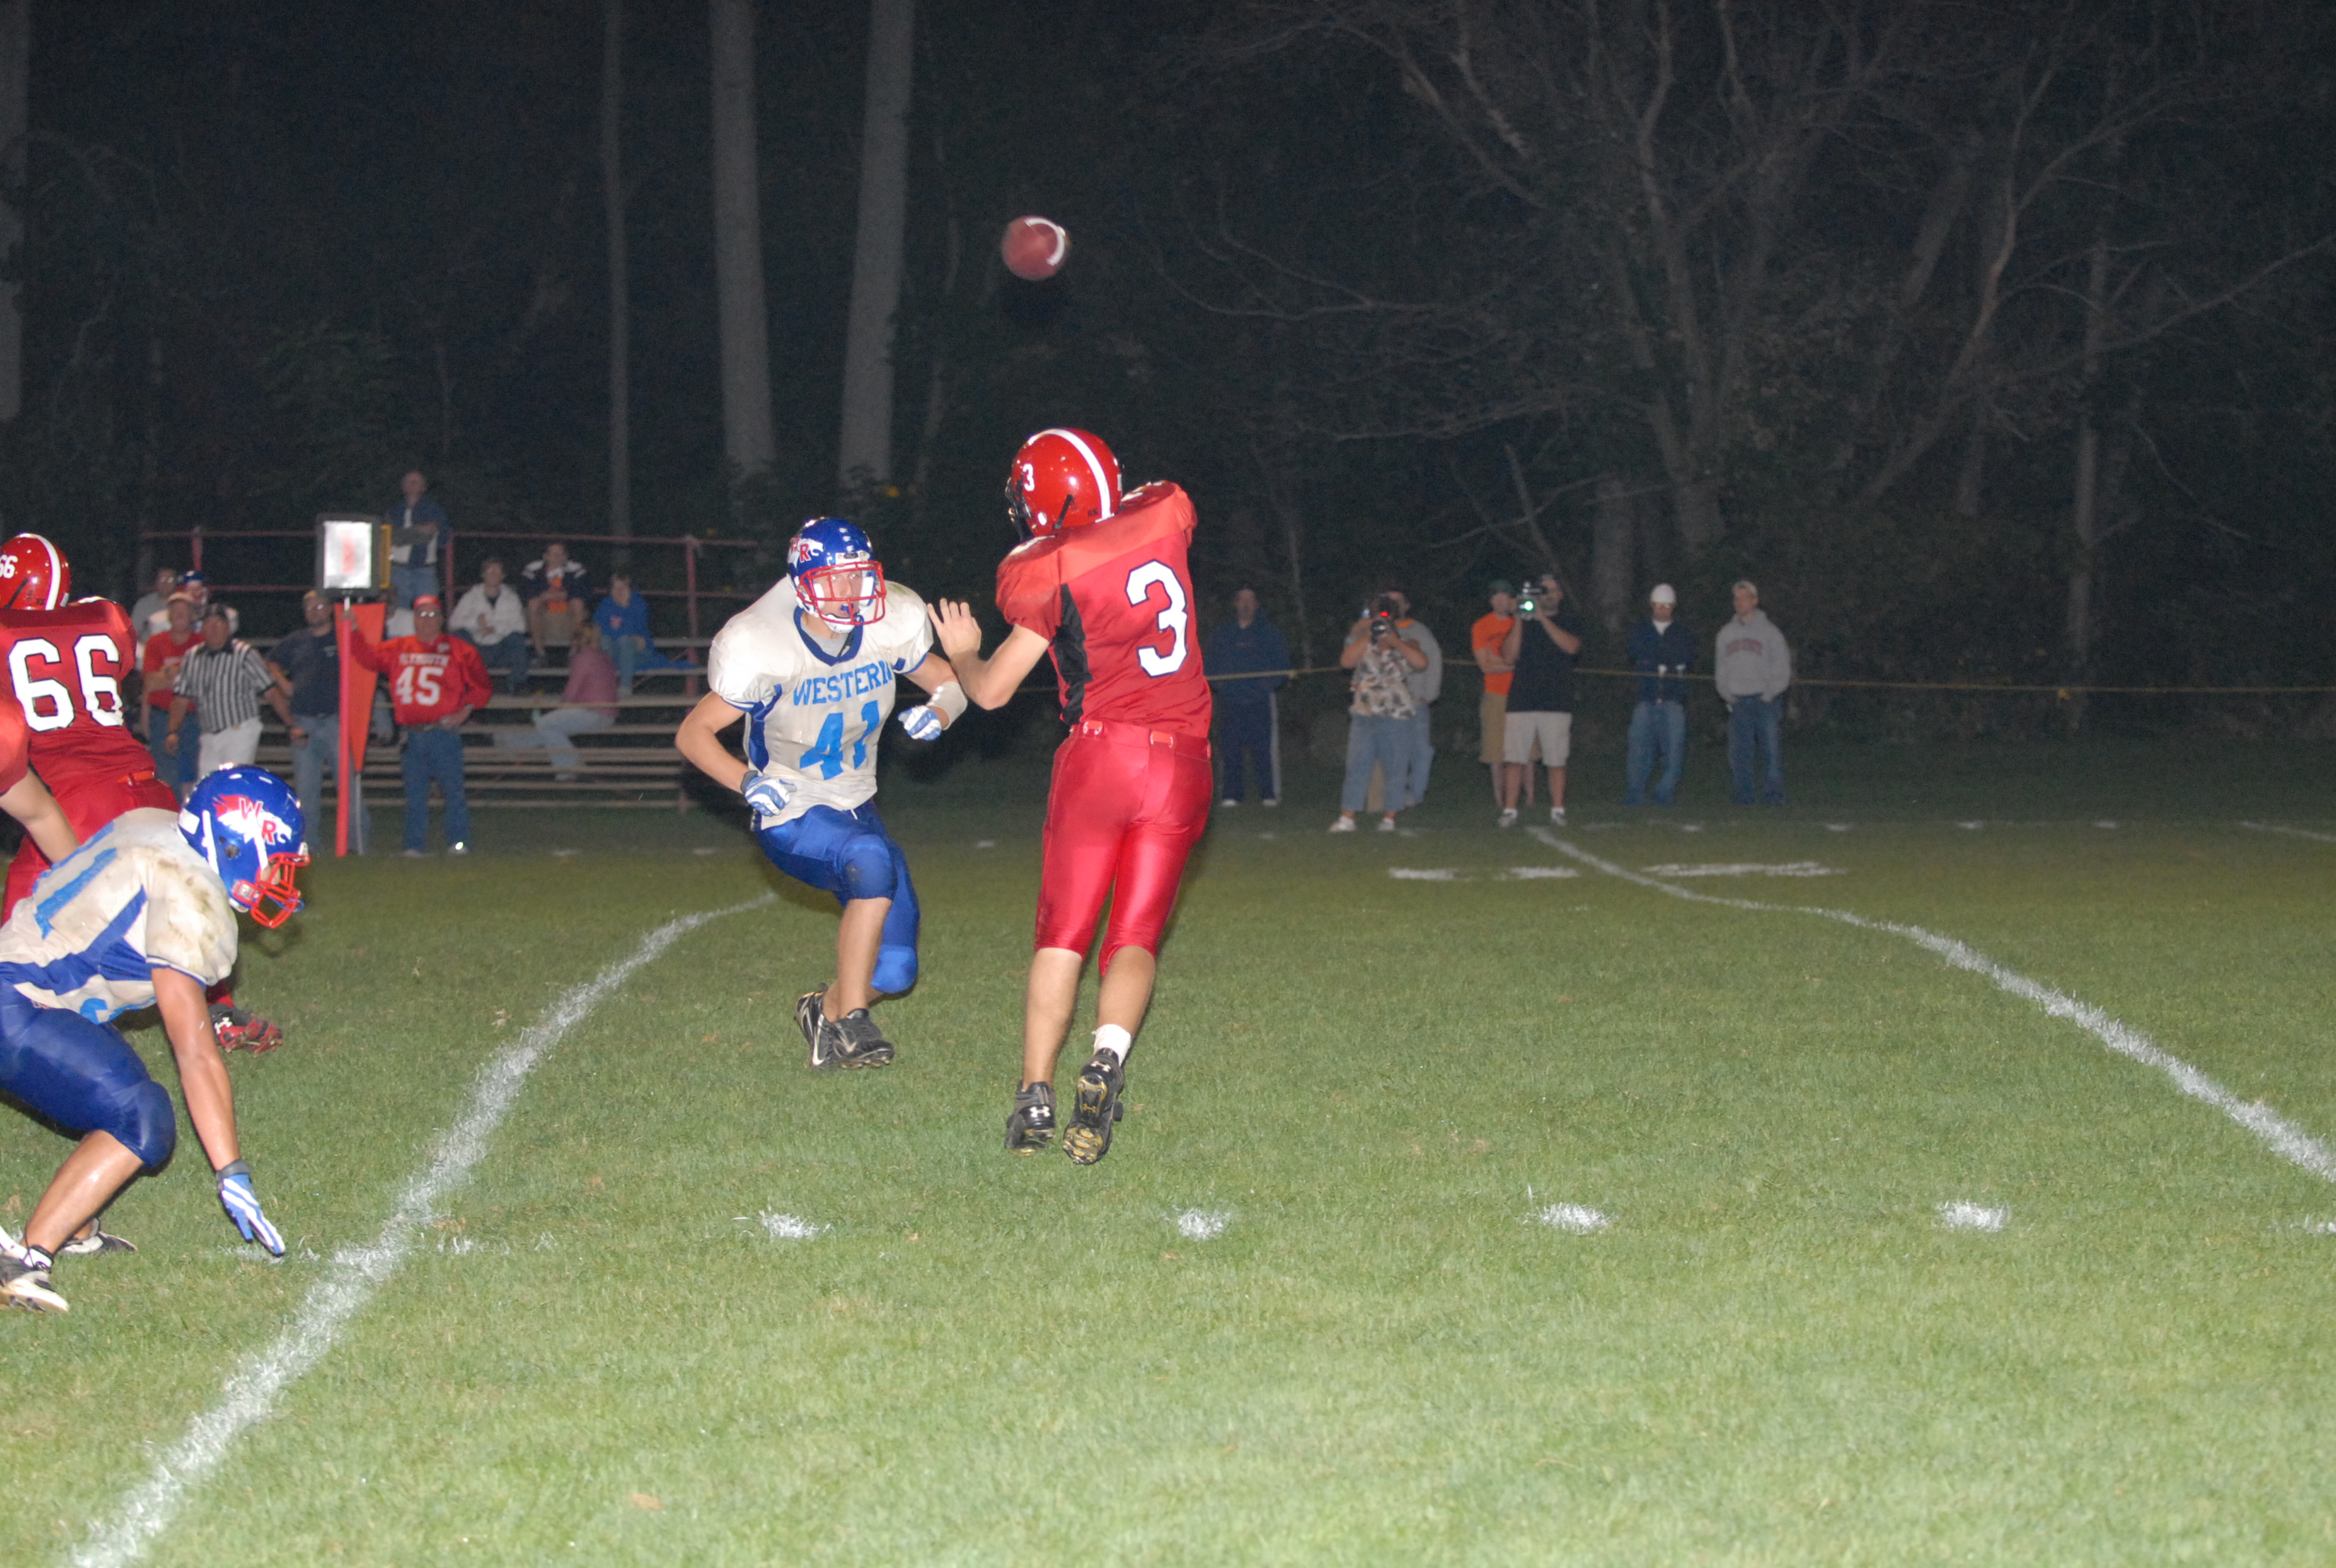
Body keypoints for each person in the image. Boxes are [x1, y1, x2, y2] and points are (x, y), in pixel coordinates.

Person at [930, 427, 1212, 1166]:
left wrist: (962, 650)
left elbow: (992, 691)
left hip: (1103, 755)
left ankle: (1034, 1095)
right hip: (1184, 760)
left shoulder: (1048, 567)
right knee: (1135, 936)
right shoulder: (1163, 514)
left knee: (1064, 934)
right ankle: (1107, 1057)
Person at [0, 766, 305, 1313]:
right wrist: (231, 1170)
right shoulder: (192, 894)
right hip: (18, 1002)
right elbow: (194, 1052)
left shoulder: (161, 827)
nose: (281, 879)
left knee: (123, 1085)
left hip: (30, 989)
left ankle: (76, 1226)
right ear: (234, 845)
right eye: (276, 862)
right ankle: (26, 1259)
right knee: (141, 1116)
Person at [675, 517, 963, 1070]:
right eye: (837, 579)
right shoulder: (767, 644)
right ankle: (853, 1023)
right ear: (805, 584)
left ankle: (823, 1011)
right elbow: (693, 733)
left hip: (858, 808)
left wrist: (942, 711)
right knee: (870, 857)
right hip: (792, 810)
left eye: (859, 577)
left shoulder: (882, 628)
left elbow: (950, 682)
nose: (852, 591)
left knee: (896, 970)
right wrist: (746, 780)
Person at [0, 536, 282, 1053]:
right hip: (145, 787)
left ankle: (22, 1017)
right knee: (183, 898)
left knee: (20, 921)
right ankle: (220, 1011)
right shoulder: (104, 617)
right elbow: (117, 669)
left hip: (71, 799)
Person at [348, 593, 493, 856]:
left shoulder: (459, 649)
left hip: (442, 732)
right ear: (414, 619)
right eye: (421, 614)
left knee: (452, 790)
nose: (426, 620)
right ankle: (414, 845)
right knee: (415, 794)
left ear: (441, 618)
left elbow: (482, 686)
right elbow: (368, 659)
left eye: (432, 614)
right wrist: (355, 631)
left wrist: (467, 709)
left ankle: (458, 842)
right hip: (412, 734)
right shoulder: (399, 647)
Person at [266, 590, 363, 852]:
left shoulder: (341, 635)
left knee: (348, 787)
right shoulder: (296, 640)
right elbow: (269, 661)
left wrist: (354, 626)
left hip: (336, 721)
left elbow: (363, 653)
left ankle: (357, 844)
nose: (314, 612)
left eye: (320, 606)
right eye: (310, 607)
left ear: (330, 609)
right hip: (304, 722)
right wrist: (284, 683)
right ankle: (308, 846)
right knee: (306, 790)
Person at [1331, 593, 1429, 833]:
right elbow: (1346, 661)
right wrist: (1369, 634)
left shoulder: (1407, 643)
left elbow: (1421, 663)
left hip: (1396, 716)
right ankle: (1347, 817)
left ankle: (1389, 817)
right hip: (1364, 714)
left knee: (1395, 768)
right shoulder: (1363, 643)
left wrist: (1394, 640)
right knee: (1357, 766)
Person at [166, 606, 295, 779]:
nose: (213, 628)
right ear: (202, 628)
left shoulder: (244, 654)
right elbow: (181, 697)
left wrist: (290, 724)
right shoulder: (193, 656)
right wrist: (173, 731)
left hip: (239, 730)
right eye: (209, 623)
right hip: (209, 733)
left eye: (218, 623)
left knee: (233, 778)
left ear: (227, 627)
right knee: (207, 782)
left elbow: (270, 691)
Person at [1500, 572, 1583, 827]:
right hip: (1522, 699)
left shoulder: (1568, 620)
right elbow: (1508, 656)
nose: (1547, 595)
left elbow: (1572, 647)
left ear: (1560, 594)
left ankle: (1557, 809)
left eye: (1551, 590)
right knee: (1514, 759)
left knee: (1556, 760)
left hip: (1556, 700)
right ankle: (1510, 810)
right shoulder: (1524, 622)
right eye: (1542, 590)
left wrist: (1543, 619)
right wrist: (1519, 620)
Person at [495, 618, 619, 779]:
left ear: (578, 638)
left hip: (592, 712)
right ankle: (508, 742)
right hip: (608, 715)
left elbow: (571, 692)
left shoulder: (583, 658)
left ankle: (570, 767)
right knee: (549, 728)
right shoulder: (606, 657)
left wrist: (559, 707)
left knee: (544, 724)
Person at [1203, 586, 1288, 807]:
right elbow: (1210, 665)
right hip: (1230, 701)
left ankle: (1268, 794)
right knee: (1230, 749)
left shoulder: (1269, 633)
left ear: (1256, 604)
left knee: (1263, 749)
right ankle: (1231, 794)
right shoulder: (1223, 634)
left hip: (1259, 701)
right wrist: (1220, 685)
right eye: (1242, 600)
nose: (1246, 604)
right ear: (1235, 604)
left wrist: (1264, 687)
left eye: (1250, 600)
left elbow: (1281, 666)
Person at [1716, 578, 1791, 806]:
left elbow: (1782, 668)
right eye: (1736, 598)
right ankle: (1743, 797)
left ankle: (1774, 797)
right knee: (1740, 754)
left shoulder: (1770, 633)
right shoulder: (1726, 633)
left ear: (1755, 601)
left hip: (1765, 701)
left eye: (1744, 598)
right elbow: (1721, 668)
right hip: (1739, 702)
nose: (1739, 602)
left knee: (1771, 752)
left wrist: (1769, 694)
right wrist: (1727, 695)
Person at [1625, 583, 1694, 807]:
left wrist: (1659, 659)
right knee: (1639, 751)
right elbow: (1639, 653)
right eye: (1658, 605)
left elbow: (1685, 656)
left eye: (1667, 605)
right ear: (1652, 605)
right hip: (1645, 699)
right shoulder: (1640, 630)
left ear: (1673, 606)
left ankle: (1664, 795)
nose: (1662, 609)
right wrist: (1663, 659)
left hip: (1673, 700)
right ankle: (1634, 796)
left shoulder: (1682, 633)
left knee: (1673, 752)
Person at [1471, 579, 1533, 807]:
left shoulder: (1522, 623)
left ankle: (1530, 798)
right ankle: (1500, 800)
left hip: (1521, 693)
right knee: (1495, 752)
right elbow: (1486, 665)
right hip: (1495, 694)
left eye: (1505, 596)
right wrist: (1513, 664)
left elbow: (1529, 659)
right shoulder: (1482, 626)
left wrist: (1502, 661)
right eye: (1496, 596)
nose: (1500, 601)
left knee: (1526, 750)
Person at [140, 592, 202, 798]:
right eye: (175, 611)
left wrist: (167, 673)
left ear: (193, 615)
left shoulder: (201, 643)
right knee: (166, 777)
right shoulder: (156, 643)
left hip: (194, 718)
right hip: (161, 718)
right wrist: (185, 672)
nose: (179, 615)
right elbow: (151, 683)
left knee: (194, 775)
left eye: (184, 611)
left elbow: (201, 681)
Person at [592, 571, 691, 694]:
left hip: (638, 653)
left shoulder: (638, 605)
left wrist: (624, 608)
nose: (619, 592)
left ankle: (625, 687)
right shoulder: (605, 605)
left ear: (630, 590)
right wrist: (624, 635)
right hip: (613, 651)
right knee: (605, 640)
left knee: (625, 641)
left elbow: (632, 630)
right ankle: (605, 686)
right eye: (615, 588)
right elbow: (599, 629)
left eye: (623, 588)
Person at [448, 557, 532, 694]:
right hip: (476, 648)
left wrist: (495, 628)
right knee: (458, 636)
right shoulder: (471, 597)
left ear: (503, 576)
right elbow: (453, 623)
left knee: (517, 638)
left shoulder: (511, 598)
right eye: (490, 571)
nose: (493, 574)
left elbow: (521, 626)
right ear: (483, 574)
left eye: (497, 571)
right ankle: (464, 683)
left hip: (500, 648)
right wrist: (476, 624)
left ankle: (518, 683)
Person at [387, 469, 450, 610]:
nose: (413, 485)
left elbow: (427, 536)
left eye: (417, 482)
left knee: (428, 611)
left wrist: (402, 535)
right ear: (403, 487)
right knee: (397, 613)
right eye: (410, 482)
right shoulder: (393, 510)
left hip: (424, 570)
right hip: (398, 569)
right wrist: (417, 530)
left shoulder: (433, 509)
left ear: (424, 487)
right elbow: (390, 537)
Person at [522, 541, 590, 665]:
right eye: (553, 554)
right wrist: (546, 596)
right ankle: (540, 654)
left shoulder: (576, 569)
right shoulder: (533, 569)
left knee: (578, 604)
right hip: (544, 609)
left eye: (560, 554)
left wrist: (562, 595)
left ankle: (574, 653)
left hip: (567, 609)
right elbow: (526, 592)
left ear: (566, 556)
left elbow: (584, 591)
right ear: (545, 556)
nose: (557, 557)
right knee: (533, 604)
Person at [127, 566, 177, 660]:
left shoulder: (182, 603)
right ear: (156, 582)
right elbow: (134, 633)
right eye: (162, 579)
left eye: (170, 580)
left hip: (176, 651)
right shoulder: (143, 604)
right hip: (148, 651)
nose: (165, 583)